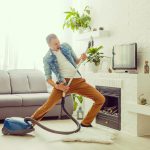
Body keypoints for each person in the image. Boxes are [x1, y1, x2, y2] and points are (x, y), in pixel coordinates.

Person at [31, 34, 105, 127]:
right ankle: (30, 123)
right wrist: (58, 86)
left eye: (58, 42)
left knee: (100, 99)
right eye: (55, 44)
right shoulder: (47, 58)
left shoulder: (66, 46)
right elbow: (48, 78)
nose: (58, 45)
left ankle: (86, 122)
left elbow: (77, 61)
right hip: (63, 84)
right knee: (47, 106)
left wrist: (82, 58)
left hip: (78, 81)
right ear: (49, 46)